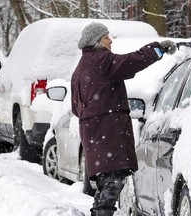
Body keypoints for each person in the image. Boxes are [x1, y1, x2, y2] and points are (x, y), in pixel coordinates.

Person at [71, 22, 176, 216]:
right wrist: (157, 49)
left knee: (106, 184)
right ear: (96, 42)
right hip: (108, 133)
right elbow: (133, 61)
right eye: (105, 37)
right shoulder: (102, 60)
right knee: (113, 180)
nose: (110, 41)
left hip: (93, 135)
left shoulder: (80, 68)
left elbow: (75, 108)